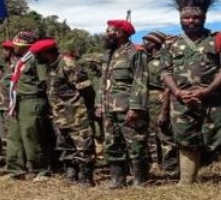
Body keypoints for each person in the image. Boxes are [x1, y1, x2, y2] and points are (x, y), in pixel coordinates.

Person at [159, 0, 221, 191]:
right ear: (180, 18)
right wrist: (177, 92)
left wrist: (208, 90)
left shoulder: (219, 40)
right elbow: (165, 71)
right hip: (181, 102)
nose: (191, 21)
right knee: (185, 140)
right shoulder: (170, 44)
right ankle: (186, 183)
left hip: (214, 100)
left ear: (204, 17)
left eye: (196, 17)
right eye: (186, 17)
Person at [34, 39, 97, 187]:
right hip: (60, 116)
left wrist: (87, 109)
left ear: (46, 53)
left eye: (38, 54)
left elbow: (87, 89)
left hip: (77, 114)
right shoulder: (51, 67)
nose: (36, 58)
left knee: (83, 146)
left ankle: (86, 178)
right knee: (65, 146)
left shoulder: (68, 65)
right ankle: (71, 175)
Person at [96, 19, 148, 188]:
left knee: (135, 143)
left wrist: (135, 107)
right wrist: (98, 104)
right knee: (111, 143)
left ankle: (140, 180)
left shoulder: (135, 52)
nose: (106, 34)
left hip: (127, 107)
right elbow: (102, 81)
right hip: (108, 107)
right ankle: (117, 180)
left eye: (109, 31)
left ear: (119, 33)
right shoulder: (108, 54)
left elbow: (140, 81)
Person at [0, 30, 54, 181]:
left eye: (16, 44)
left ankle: (40, 170)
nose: (13, 47)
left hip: (32, 100)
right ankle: (15, 170)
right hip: (18, 101)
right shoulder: (22, 60)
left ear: (25, 45)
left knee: (31, 136)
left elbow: (45, 82)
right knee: (14, 136)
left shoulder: (36, 59)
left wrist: (49, 104)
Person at [142, 31, 178, 177]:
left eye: (147, 41)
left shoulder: (161, 61)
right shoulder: (147, 60)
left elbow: (168, 85)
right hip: (148, 101)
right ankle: (155, 164)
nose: (144, 43)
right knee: (151, 135)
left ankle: (171, 167)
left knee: (164, 134)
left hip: (159, 100)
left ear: (155, 43)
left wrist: (164, 108)